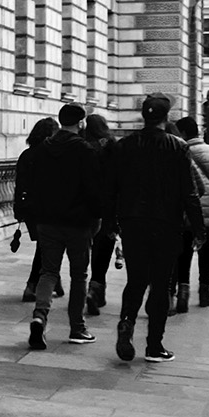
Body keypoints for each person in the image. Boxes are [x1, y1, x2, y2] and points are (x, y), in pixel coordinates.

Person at [103, 93, 205, 363]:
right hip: (166, 223)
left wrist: (110, 222)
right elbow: (189, 192)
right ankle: (154, 344)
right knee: (160, 284)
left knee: (136, 280)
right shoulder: (177, 146)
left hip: (133, 221)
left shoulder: (125, 145)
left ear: (143, 116)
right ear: (166, 117)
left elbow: (111, 188)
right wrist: (198, 228)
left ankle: (126, 322)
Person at [13, 102, 104, 351]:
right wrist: (98, 217)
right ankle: (77, 327)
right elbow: (94, 190)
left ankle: (39, 316)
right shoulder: (85, 151)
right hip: (78, 223)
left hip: (47, 222)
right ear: (81, 123)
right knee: (79, 275)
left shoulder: (42, 151)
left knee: (48, 272)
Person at [174, 116, 209, 309]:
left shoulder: (180, 151)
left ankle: (183, 293)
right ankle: (205, 291)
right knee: (207, 250)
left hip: (185, 210)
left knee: (184, 251)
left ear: (182, 133)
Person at [15, 116, 64, 303]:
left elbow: (19, 185)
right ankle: (32, 285)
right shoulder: (49, 154)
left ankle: (54, 281)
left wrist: (18, 209)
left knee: (46, 245)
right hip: (45, 207)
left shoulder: (26, 155)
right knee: (46, 246)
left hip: (29, 209)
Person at [83, 113, 117, 316]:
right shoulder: (112, 146)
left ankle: (90, 288)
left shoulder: (83, 146)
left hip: (86, 206)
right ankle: (96, 288)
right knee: (103, 249)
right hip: (108, 207)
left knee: (86, 248)